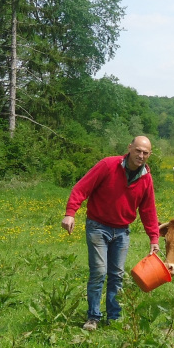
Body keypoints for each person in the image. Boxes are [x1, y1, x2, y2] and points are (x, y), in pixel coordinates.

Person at [62, 136, 160, 331]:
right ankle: (93, 317)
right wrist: (70, 213)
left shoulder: (146, 178)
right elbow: (82, 187)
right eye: (138, 150)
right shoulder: (108, 165)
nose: (141, 155)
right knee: (99, 271)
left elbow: (148, 210)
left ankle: (113, 318)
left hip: (122, 231)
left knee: (116, 275)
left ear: (149, 155)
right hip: (98, 227)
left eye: (145, 153)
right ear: (130, 148)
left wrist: (154, 238)